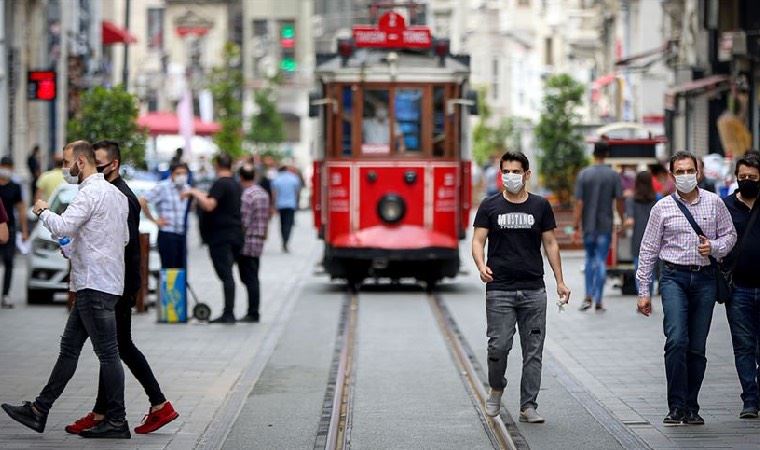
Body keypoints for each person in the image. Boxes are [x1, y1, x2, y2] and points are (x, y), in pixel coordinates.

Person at [2, 140, 131, 438]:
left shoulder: (88, 194)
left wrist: (43, 210)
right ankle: (39, 410)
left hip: (93, 285)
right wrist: (74, 249)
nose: (65, 168)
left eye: (66, 161)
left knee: (108, 354)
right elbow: (118, 238)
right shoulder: (116, 195)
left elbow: (62, 227)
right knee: (70, 349)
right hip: (105, 282)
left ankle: (117, 420)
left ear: (81, 163)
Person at [55, 141, 179, 435]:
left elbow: (122, 246)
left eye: (98, 163)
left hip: (115, 284)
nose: (91, 168)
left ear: (113, 164)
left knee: (116, 347)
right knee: (112, 347)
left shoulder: (122, 196)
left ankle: (155, 405)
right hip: (109, 282)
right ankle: (105, 412)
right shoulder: (106, 193)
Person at [636, 151, 737, 426]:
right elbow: (648, 249)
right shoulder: (662, 208)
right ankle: (676, 405)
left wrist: (714, 247)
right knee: (677, 340)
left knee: (697, 347)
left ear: (698, 173)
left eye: (688, 170)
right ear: (671, 175)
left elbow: (730, 235)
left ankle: (691, 405)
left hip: (704, 279)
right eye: (678, 172)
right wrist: (643, 290)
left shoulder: (715, 204)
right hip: (673, 278)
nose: (684, 176)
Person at [472, 151, 571, 424]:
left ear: (527, 175)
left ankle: (528, 405)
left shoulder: (540, 206)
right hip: (499, 289)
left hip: (533, 290)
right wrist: (481, 265)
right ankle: (497, 387)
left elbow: (550, 243)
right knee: (498, 347)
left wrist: (560, 280)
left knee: (533, 350)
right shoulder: (489, 206)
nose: (511, 177)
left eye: (516, 172)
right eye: (506, 172)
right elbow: (478, 240)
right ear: (500, 174)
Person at [722, 155, 760, 419]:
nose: (747, 182)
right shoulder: (725, 207)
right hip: (739, 289)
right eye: (743, 177)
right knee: (743, 344)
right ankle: (750, 398)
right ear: (736, 177)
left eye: (753, 178)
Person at [185, 154, 243, 324]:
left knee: (226, 275)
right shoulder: (235, 184)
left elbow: (210, 204)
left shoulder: (220, 183)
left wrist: (195, 193)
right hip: (234, 234)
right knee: (228, 274)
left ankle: (228, 313)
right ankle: (229, 311)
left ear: (217, 165)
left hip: (221, 236)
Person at [572, 141, 625, 311]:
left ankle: (588, 295)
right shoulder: (613, 175)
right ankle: (599, 299)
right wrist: (621, 220)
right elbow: (619, 200)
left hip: (588, 224)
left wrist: (575, 224)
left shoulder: (584, 174)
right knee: (601, 260)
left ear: (593, 155)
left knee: (589, 258)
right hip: (605, 224)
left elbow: (579, 202)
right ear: (607, 154)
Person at [140, 163, 190, 268]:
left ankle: (180, 285)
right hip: (168, 233)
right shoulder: (163, 187)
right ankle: (169, 285)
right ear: (172, 174)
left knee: (181, 269)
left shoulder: (187, 188)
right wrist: (154, 220)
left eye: (184, 173)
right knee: (169, 268)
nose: (182, 176)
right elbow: (143, 200)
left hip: (182, 233)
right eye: (178, 173)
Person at [239, 164, 270, 323]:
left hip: (248, 240)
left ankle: (253, 312)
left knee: (249, 278)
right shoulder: (263, 193)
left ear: (241, 177)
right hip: (259, 239)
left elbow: (244, 221)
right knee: (254, 275)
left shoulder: (247, 195)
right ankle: (254, 311)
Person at [0, 156, 29, 309]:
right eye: (3, 166)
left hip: (9, 228)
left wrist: (24, 231)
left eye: (8, 166)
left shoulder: (15, 187)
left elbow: (21, 209)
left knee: (9, 261)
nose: (5, 169)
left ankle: (6, 294)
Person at [624, 171, 658, 296]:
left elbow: (630, 221)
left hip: (638, 239)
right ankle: (649, 292)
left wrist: (621, 229)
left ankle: (642, 296)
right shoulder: (657, 199)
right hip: (654, 240)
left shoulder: (631, 200)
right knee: (652, 269)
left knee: (639, 269)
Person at [271, 166, 302, 253]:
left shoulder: (277, 179)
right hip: (291, 204)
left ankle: (283, 240)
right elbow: (297, 192)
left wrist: (274, 204)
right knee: (289, 224)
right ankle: (286, 240)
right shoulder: (294, 178)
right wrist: (297, 202)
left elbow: (274, 193)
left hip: (280, 205)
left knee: (282, 224)